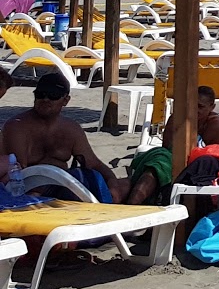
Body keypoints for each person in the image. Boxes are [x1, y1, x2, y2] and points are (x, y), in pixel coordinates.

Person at [0, 73, 127, 201]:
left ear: (66, 100)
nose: (45, 99)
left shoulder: (71, 129)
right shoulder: (17, 126)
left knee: (122, 185)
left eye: (53, 95)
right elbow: (18, 172)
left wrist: (112, 183)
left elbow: (93, 163)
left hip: (66, 186)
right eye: (40, 94)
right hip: (31, 190)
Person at [125, 85, 219, 206]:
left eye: (200, 107)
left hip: (197, 165)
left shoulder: (217, 127)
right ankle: (133, 204)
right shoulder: (177, 118)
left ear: (212, 107)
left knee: (157, 167)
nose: (195, 110)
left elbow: (213, 155)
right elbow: (166, 147)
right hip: (171, 158)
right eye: (192, 105)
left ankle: (133, 204)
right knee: (159, 162)